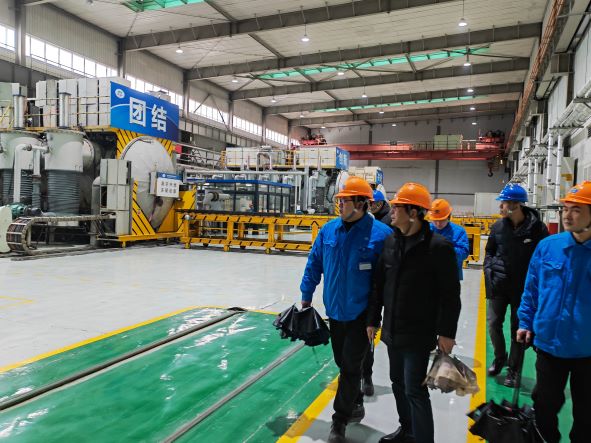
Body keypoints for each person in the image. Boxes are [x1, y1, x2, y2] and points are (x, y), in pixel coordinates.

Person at [299, 176, 392, 443]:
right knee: (343, 362)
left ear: (361, 203)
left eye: (345, 200)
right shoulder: (328, 231)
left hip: (362, 314)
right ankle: (356, 398)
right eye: (338, 200)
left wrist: (379, 316)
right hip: (335, 311)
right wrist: (307, 294)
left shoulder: (381, 235)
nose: (339, 204)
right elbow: (314, 262)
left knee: (350, 366)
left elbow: (385, 280)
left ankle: (339, 421)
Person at [368, 182, 461, 443]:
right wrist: (372, 320)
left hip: (419, 333)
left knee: (415, 391)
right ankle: (407, 430)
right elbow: (378, 285)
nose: (392, 211)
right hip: (392, 330)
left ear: (413, 212)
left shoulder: (438, 248)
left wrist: (447, 332)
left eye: (397, 207)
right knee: (398, 383)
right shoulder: (390, 241)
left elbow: (450, 295)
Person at [517, 181, 591, 443]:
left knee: (586, 415)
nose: (567, 216)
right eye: (565, 209)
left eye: (576, 210)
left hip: (587, 351)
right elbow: (532, 289)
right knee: (544, 409)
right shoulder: (548, 246)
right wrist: (525, 322)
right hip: (549, 345)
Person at [484, 183, 548, 387]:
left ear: (515, 205)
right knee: (493, 324)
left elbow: (543, 258)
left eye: (503, 203)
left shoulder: (538, 229)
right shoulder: (498, 227)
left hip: (523, 289)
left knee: (517, 330)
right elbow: (489, 251)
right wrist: (490, 272)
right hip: (499, 285)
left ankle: (513, 370)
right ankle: (499, 357)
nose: (500, 206)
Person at [360, 189, 392, 397]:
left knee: (367, 337)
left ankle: (367, 376)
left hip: (375, 291)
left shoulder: (386, 226)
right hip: (361, 291)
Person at [428, 198, 470, 280]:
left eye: (442, 220)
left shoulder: (459, 231)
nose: (438, 224)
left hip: (450, 276)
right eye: (435, 220)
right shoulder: (427, 229)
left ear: (448, 217)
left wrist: (445, 249)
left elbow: (464, 253)